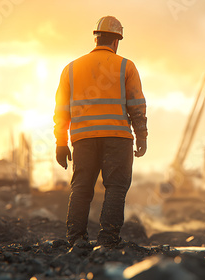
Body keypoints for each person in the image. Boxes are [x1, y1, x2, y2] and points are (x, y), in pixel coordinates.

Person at [53, 15, 147, 247]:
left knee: (81, 188)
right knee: (115, 188)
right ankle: (107, 239)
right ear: (117, 41)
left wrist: (61, 143)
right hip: (117, 138)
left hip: (83, 139)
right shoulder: (126, 66)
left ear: (96, 39)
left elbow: (61, 110)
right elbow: (136, 105)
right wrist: (142, 136)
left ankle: (75, 240)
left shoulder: (71, 69)